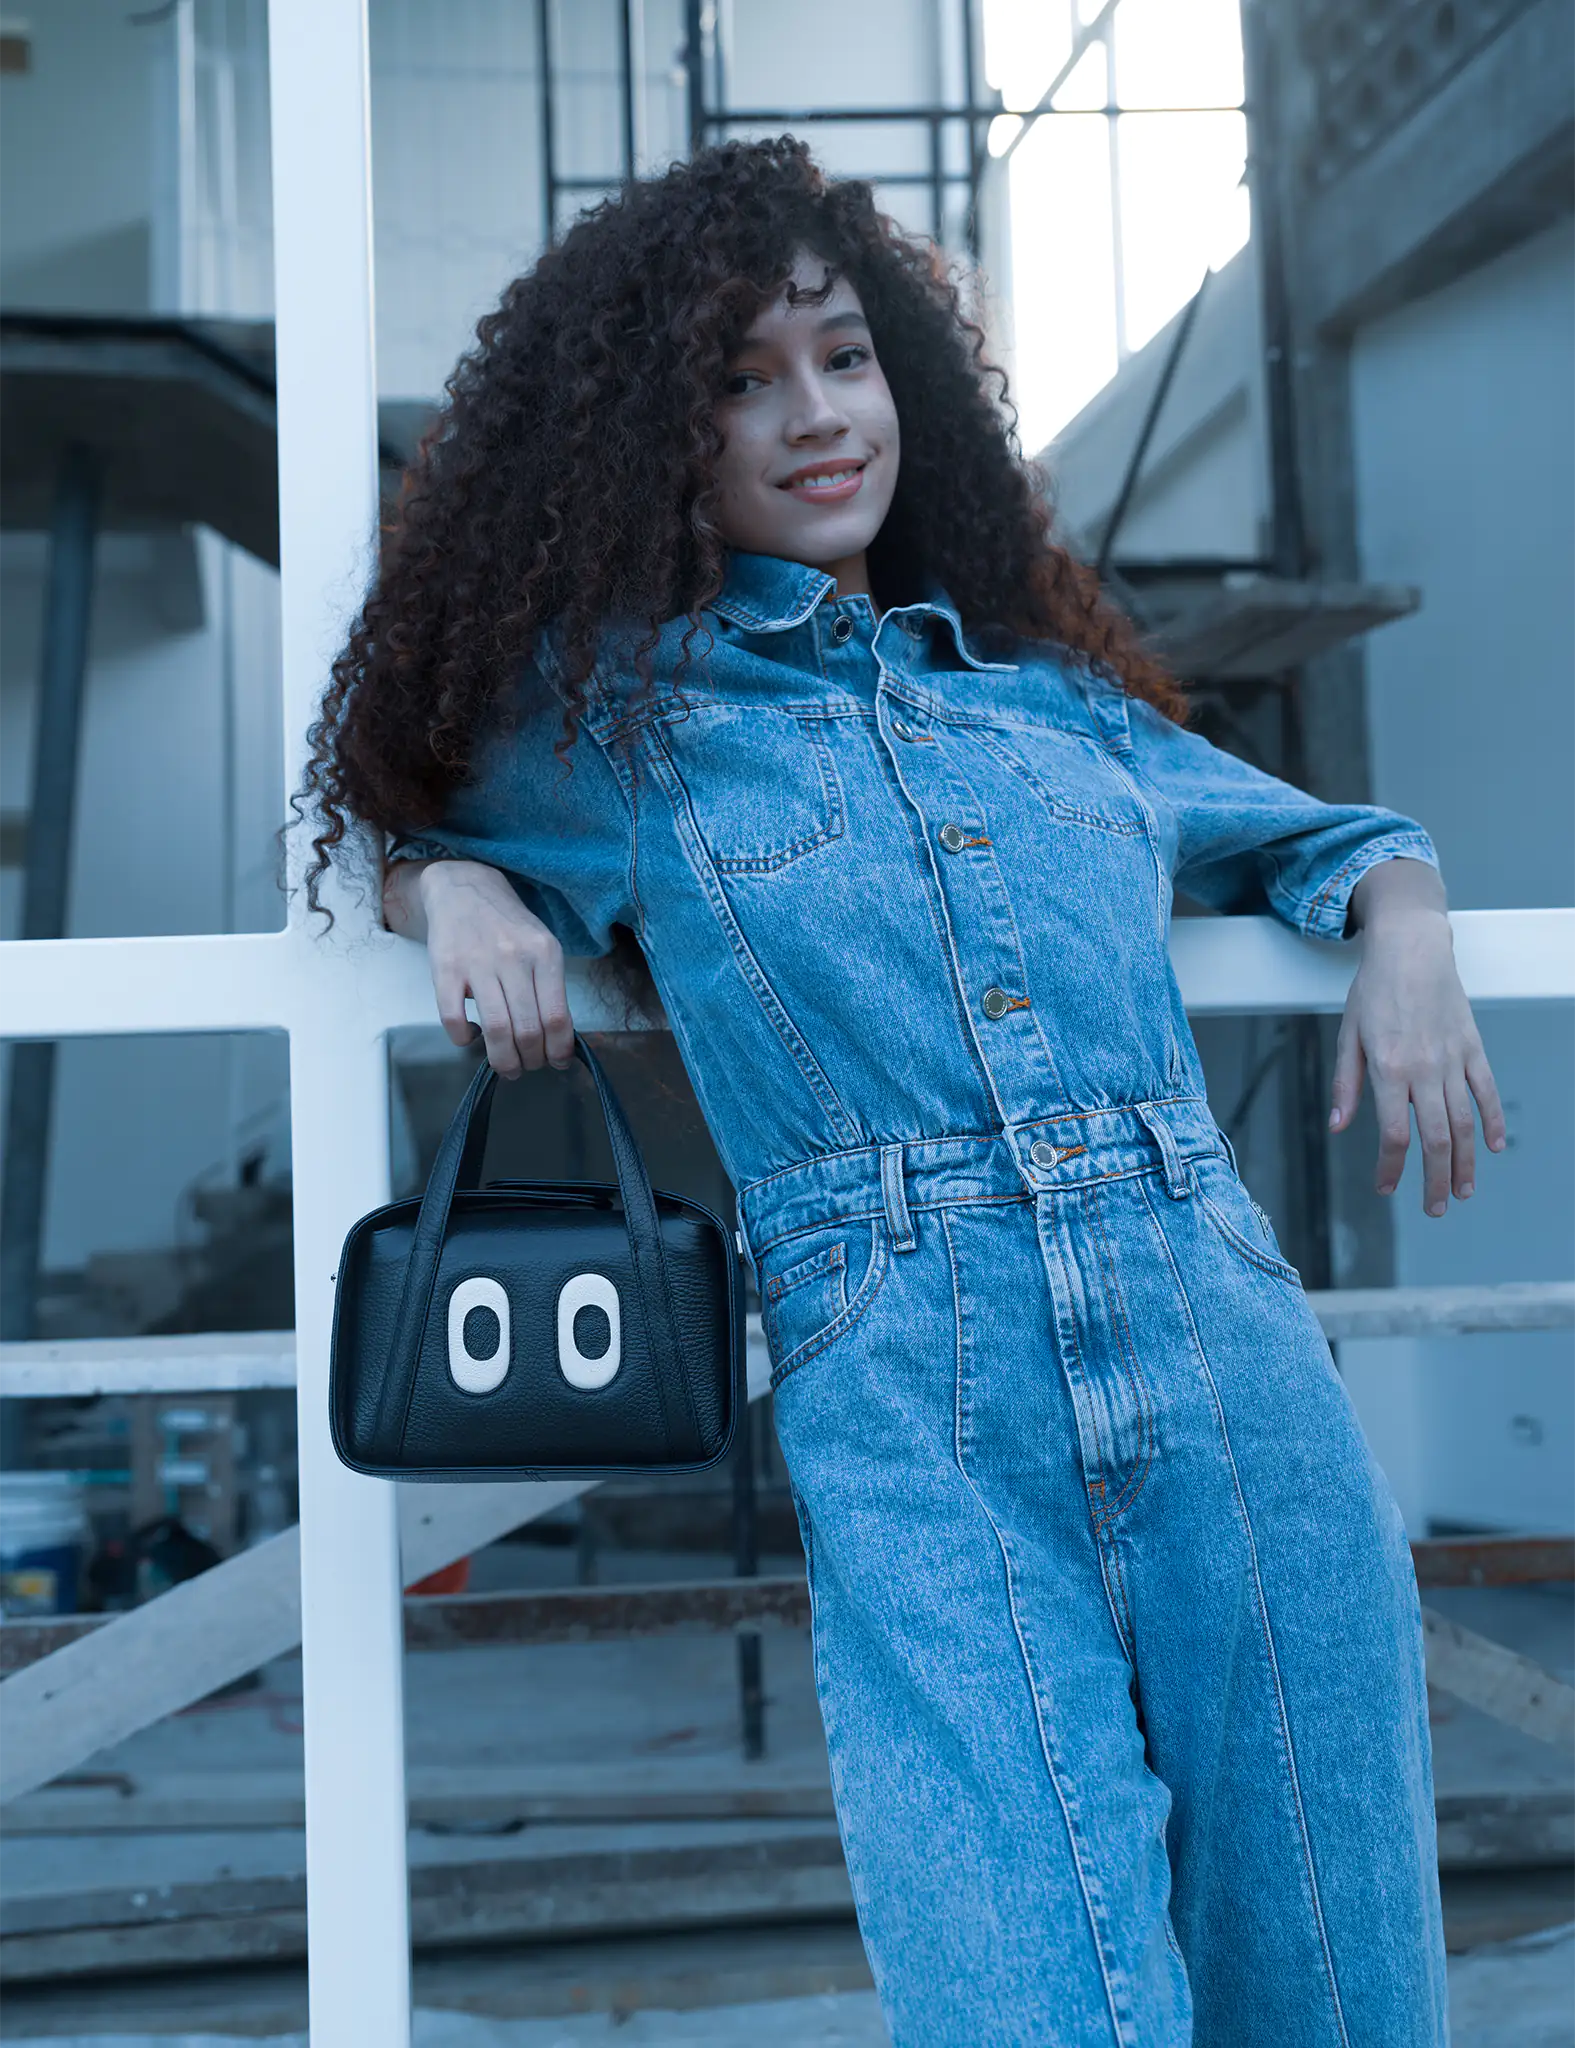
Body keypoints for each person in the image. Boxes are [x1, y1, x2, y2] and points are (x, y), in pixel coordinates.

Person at [300, 138, 1501, 2047]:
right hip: (911, 1392)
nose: (815, 415)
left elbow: (1331, 838)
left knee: (1332, 1975)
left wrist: (1408, 931)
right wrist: (448, 891)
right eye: (742, 379)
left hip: (1219, 1337)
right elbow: (386, 822)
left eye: (845, 358)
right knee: (1030, 1989)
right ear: (651, 441)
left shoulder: (1053, 709)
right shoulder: (622, 738)